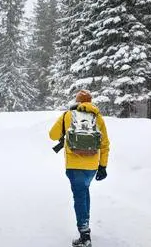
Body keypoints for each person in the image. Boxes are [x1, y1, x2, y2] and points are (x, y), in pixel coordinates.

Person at [49, 90, 110, 247]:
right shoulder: (98, 118)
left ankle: (85, 235)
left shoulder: (67, 115)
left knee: (80, 196)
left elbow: (52, 135)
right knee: (84, 192)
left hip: (74, 165)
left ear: (77, 101)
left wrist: (64, 129)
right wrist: (103, 166)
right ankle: (86, 227)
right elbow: (104, 144)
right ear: (90, 101)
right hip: (92, 166)